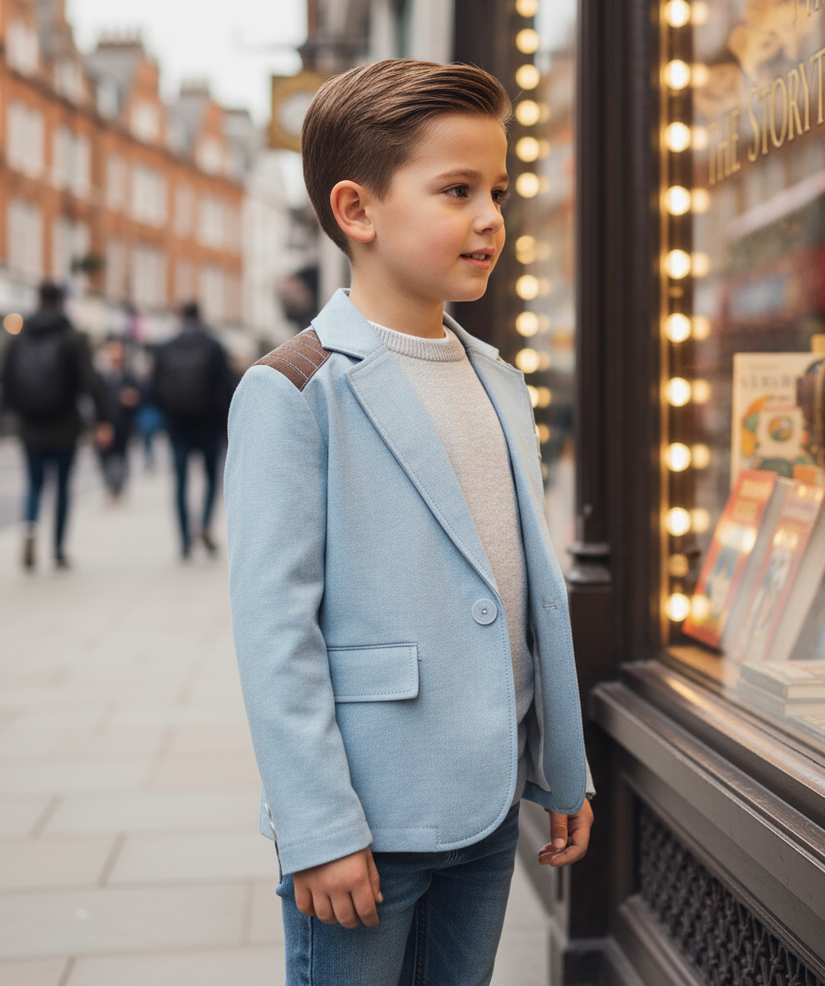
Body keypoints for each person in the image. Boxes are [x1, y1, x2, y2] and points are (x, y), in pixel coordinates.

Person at [224, 59, 594, 986]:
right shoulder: (295, 390)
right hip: (365, 822)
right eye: (457, 190)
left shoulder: (499, 379)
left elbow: (523, 587)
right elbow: (276, 632)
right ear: (358, 210)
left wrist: (561, 764)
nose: (490, 218)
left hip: (487, 805)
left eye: (499, 192)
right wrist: (316, 828)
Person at [1, 281, 111, 570]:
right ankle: (59, 550)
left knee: (34, 484)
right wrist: (102, 420)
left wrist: (15, 414)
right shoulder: (71, 337)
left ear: (37, 300)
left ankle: (30, 527)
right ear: (61, 302)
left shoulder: (19, 338)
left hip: (30, 426)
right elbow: (90, 382)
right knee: (62, 486)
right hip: (65, 425)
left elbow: (7, 382)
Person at [152, 301, 234, 559]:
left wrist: (168, 416)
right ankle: (205, 525)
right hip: (208, 424)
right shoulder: (214, 346)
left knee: (180, 481)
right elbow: (227, 386)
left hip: (178, 426)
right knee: (211, 479)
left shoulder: (166, 347)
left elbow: (154, 387)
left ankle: (185, 541)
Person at [95, 337, 141, 500]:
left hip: (123, 423)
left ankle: (119, 487)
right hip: (105, 422)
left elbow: (140, 396)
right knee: (104, 457)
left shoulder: (129, 375)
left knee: (121, 456)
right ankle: (111, 487)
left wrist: (132, 399)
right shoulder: (101, 375)